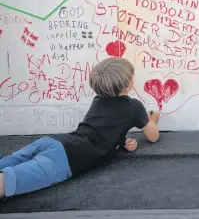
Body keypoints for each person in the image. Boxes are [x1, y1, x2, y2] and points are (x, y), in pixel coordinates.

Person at [0, 57, 160, 198]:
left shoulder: (98, 100)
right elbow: (153, 136)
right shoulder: (135, 107)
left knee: (10, 161)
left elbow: (98, 130)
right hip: (65, 159)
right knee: (8, 181)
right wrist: (152, 119)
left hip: (55, 142)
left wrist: (123, 140)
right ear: (129, 84)